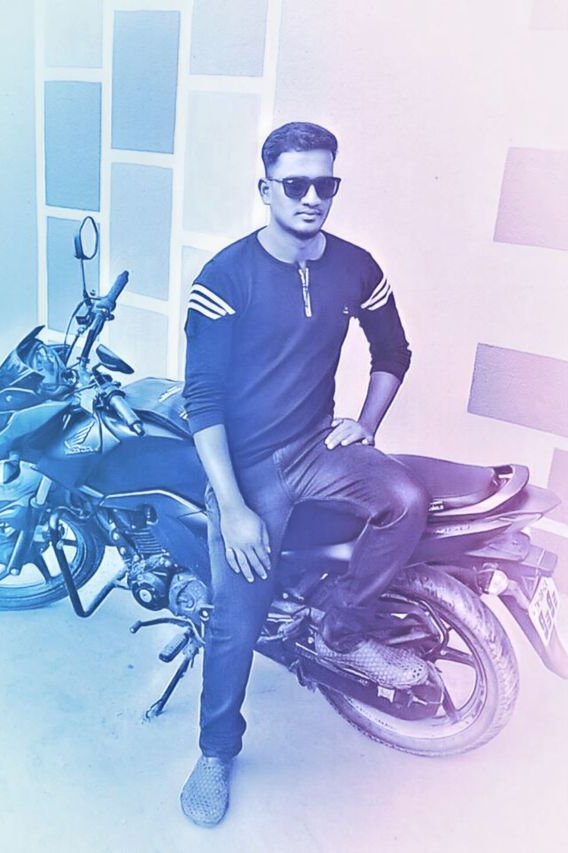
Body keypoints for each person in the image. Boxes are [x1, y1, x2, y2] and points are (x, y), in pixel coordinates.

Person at [180, 122, 430, 827]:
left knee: (406, 498)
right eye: (296, 184)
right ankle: (215, 750)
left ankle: (341, 630)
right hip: (249, 467)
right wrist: (233, 507)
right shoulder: (225, 278)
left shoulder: (356, 267)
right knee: (237, 618)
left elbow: (394, 351)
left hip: (317, 448)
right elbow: (202, 400)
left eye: (326, 183)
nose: (312, 197)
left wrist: (367, 424)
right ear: (266, 189)